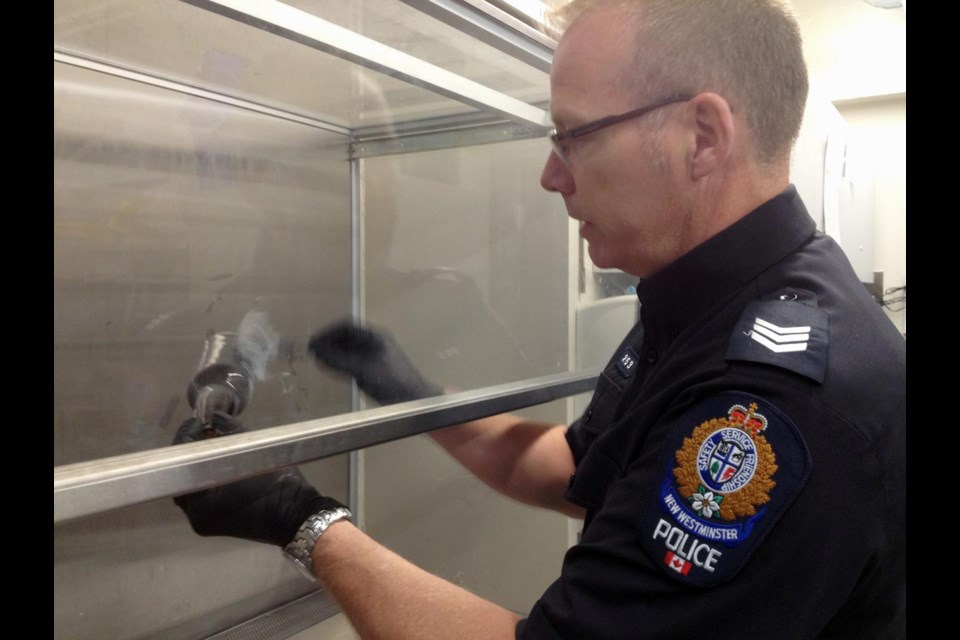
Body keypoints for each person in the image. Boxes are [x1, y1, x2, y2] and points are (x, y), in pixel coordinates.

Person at [172, 1, 906, 638]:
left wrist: (302, 521)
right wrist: (412, 392)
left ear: (703, 137)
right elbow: (569, 464)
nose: (551, 175)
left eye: (574, 136)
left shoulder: (776, 402)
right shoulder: (709, 302)